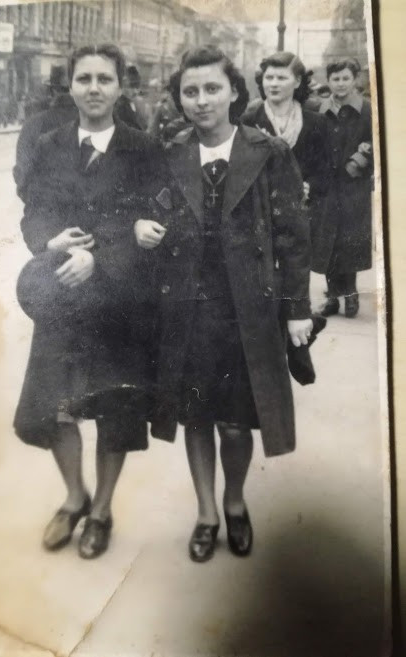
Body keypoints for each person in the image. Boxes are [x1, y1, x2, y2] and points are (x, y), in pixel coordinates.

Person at [134, 45, 313, 562]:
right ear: (179, 100)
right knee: (195, 417)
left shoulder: (269, 152)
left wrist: (297, 307)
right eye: (190, 91)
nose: (201, 99)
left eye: (212, 88)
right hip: (187, 308)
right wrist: (138, 228)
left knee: (236, 420)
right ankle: (207, 512)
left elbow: (293, 237)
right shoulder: (168, 153)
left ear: (235, 91)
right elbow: (145, 212)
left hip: (246, 311)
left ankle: (235, 503)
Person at [14, 44, 165, 559]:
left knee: (113, 409)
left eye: (105, 79)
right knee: (57, 405)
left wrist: (99, 257)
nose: (94, 88)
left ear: (120, 86)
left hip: (118, 299)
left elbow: (148, 223)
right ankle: (74, 497)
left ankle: (101, 509)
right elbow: (33, 213)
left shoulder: (144, 148)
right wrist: (49, 242)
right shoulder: (51, 143)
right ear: (71, 85)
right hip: (61, 295)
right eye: (85, 79)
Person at [312, 57, 373, 318]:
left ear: (355, 79)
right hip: (327, 188)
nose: (340, 84)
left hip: (353, 187)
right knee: (327, 243)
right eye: (335, 79)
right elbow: (313, 146)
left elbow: (378, 140)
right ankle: (333, 298)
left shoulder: (368, 110)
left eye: (346, 78)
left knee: (349, 241)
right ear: (329, 81)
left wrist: (360, 159)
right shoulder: (320, 111)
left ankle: (351, 295)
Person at [243, 51, 329, 221]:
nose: (273, 84)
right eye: (269, 78)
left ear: (297, 81)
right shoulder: (249, 120)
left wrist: (309, 187)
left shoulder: (316, 122)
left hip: (303, 214)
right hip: (260, 215)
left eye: (281, 78)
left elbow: (324, 172)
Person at [13, 65, 79, 202]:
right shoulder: (96, 123)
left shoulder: (33, 124)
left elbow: (22, 175)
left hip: (44, 214)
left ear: (52, 91)